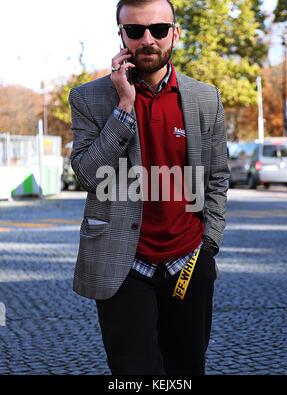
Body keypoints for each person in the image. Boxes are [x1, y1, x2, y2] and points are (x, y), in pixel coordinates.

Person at [69, 0, 229, 375]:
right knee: (134, 375)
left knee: (186, 370)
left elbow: (217, 177)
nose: (148, 40)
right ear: (121, 36)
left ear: (174, 33)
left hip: (188, 260)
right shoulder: (89, 98)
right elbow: (88, 175)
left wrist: (209, 245)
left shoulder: (206, 98)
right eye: (135, 31)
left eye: (158, 30)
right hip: (122, 264)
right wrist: (125, 104)